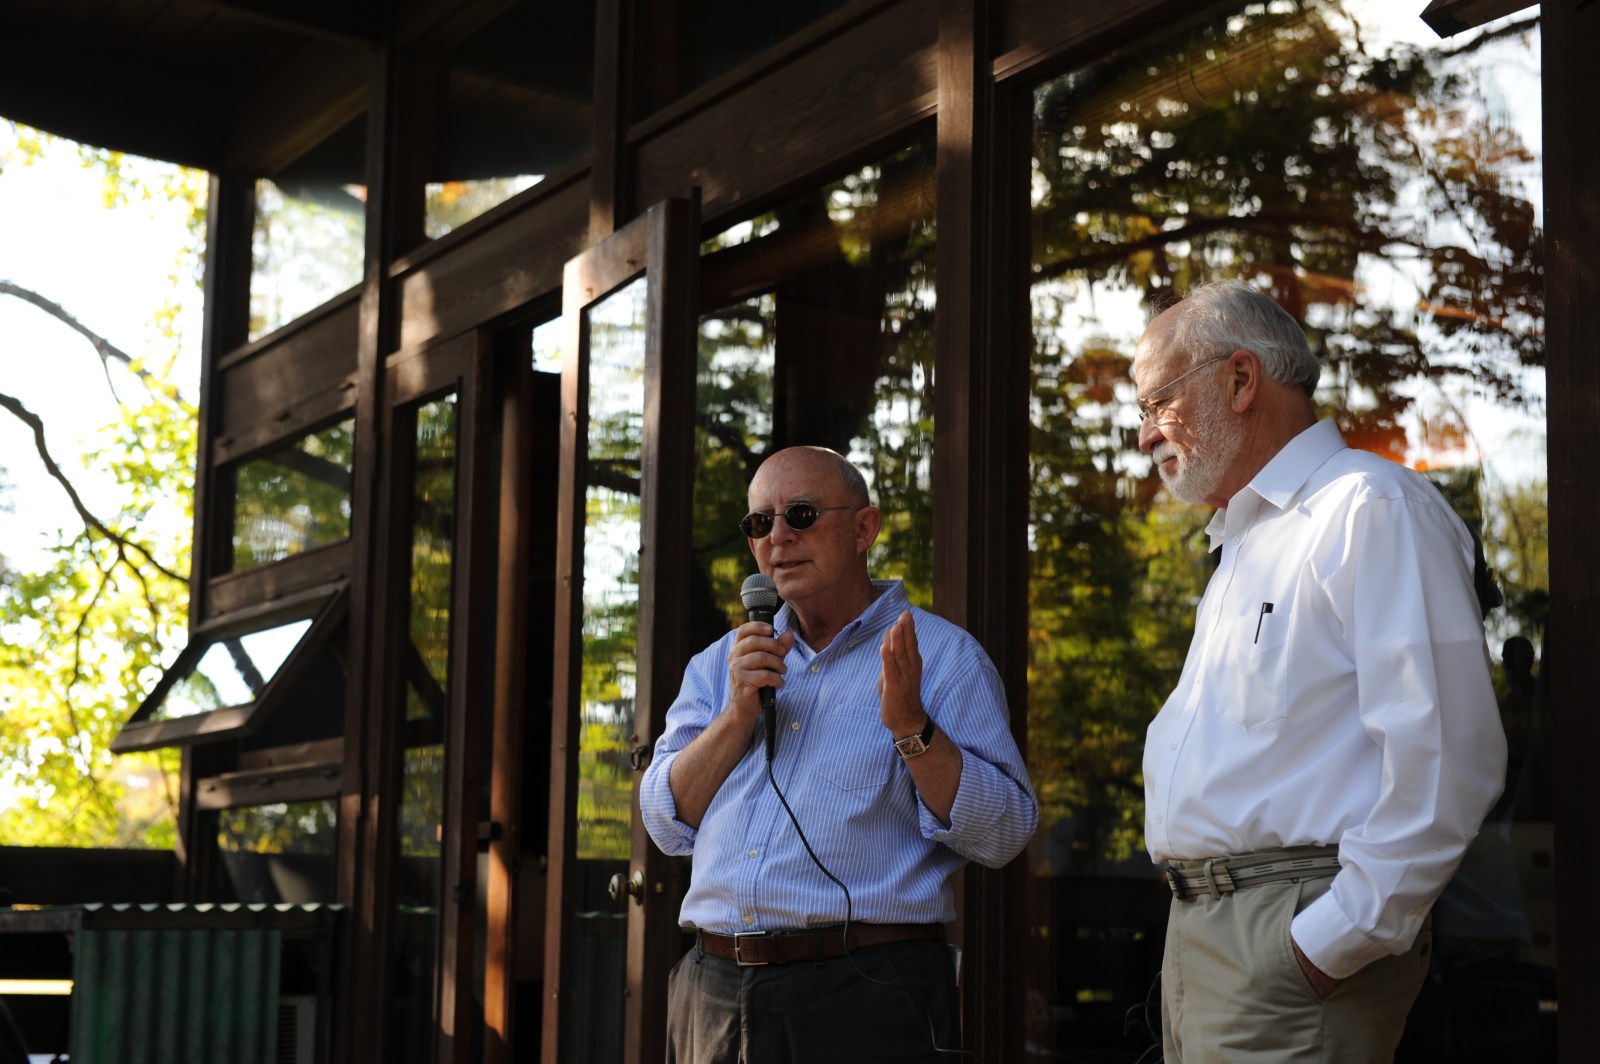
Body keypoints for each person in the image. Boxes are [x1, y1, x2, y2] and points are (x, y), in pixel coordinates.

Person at [1134, 280, 1507, 1062]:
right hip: (1205, 939)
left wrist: (1328, 943)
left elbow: (1449, 758)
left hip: (1291, 941)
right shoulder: (1243, 540)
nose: (1145, 436)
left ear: (1241, 380)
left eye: (1158, 400)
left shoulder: (1369, 507)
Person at [640, 445, 1038, 1063]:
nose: (777, 538)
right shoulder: (722, 664)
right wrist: (737, 714)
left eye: (799, 514)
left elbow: (1006, 832)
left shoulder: (944, 657)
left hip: (863, 991)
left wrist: (913, 729)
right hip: (712, 988)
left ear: (863, 528)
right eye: (759, 524)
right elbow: (664, 822)